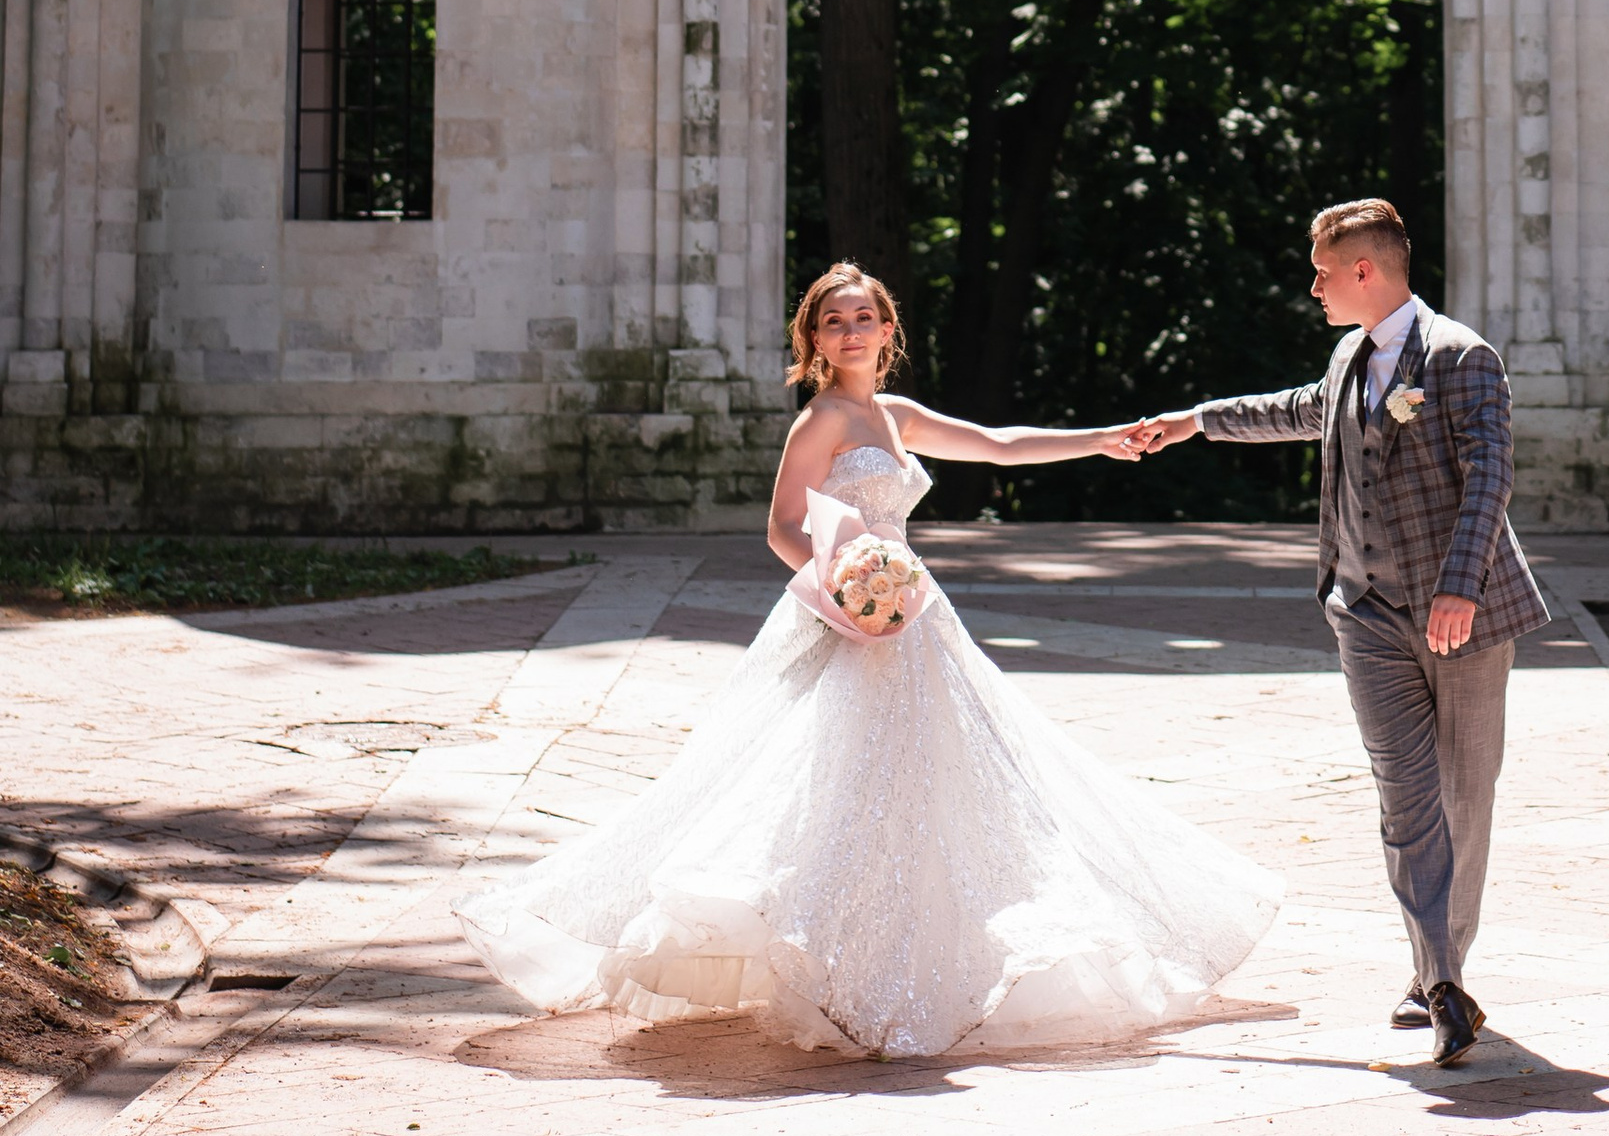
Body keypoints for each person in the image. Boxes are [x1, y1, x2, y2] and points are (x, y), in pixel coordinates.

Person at [455, 262, 1280, 1059]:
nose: (850, 331)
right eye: (832, 319)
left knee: (935, 789)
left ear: (888, 329)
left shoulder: (893, 413)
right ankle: (836, 970)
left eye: (864, 317)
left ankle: (914, 968)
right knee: (840, 789)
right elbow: (782, 526)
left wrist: (1102, 441)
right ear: (813, 337)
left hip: (915, 621)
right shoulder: (819, 423)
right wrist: (843, 582)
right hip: (847, 619)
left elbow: (995, 444)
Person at [1136, 197, 1545, 1066]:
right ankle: (1442, 984)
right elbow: (1299, 408)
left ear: (1365, 271)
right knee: (1407, 801)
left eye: (1323, 271)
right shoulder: (1348, 355)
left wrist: (1458, 586)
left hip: (1461, 615)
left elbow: (1491, 477)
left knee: (1464, 797)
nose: (1312, 286)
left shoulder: (1461, 356)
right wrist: (1198, 420)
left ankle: (1440, 968)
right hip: (1364, 610)